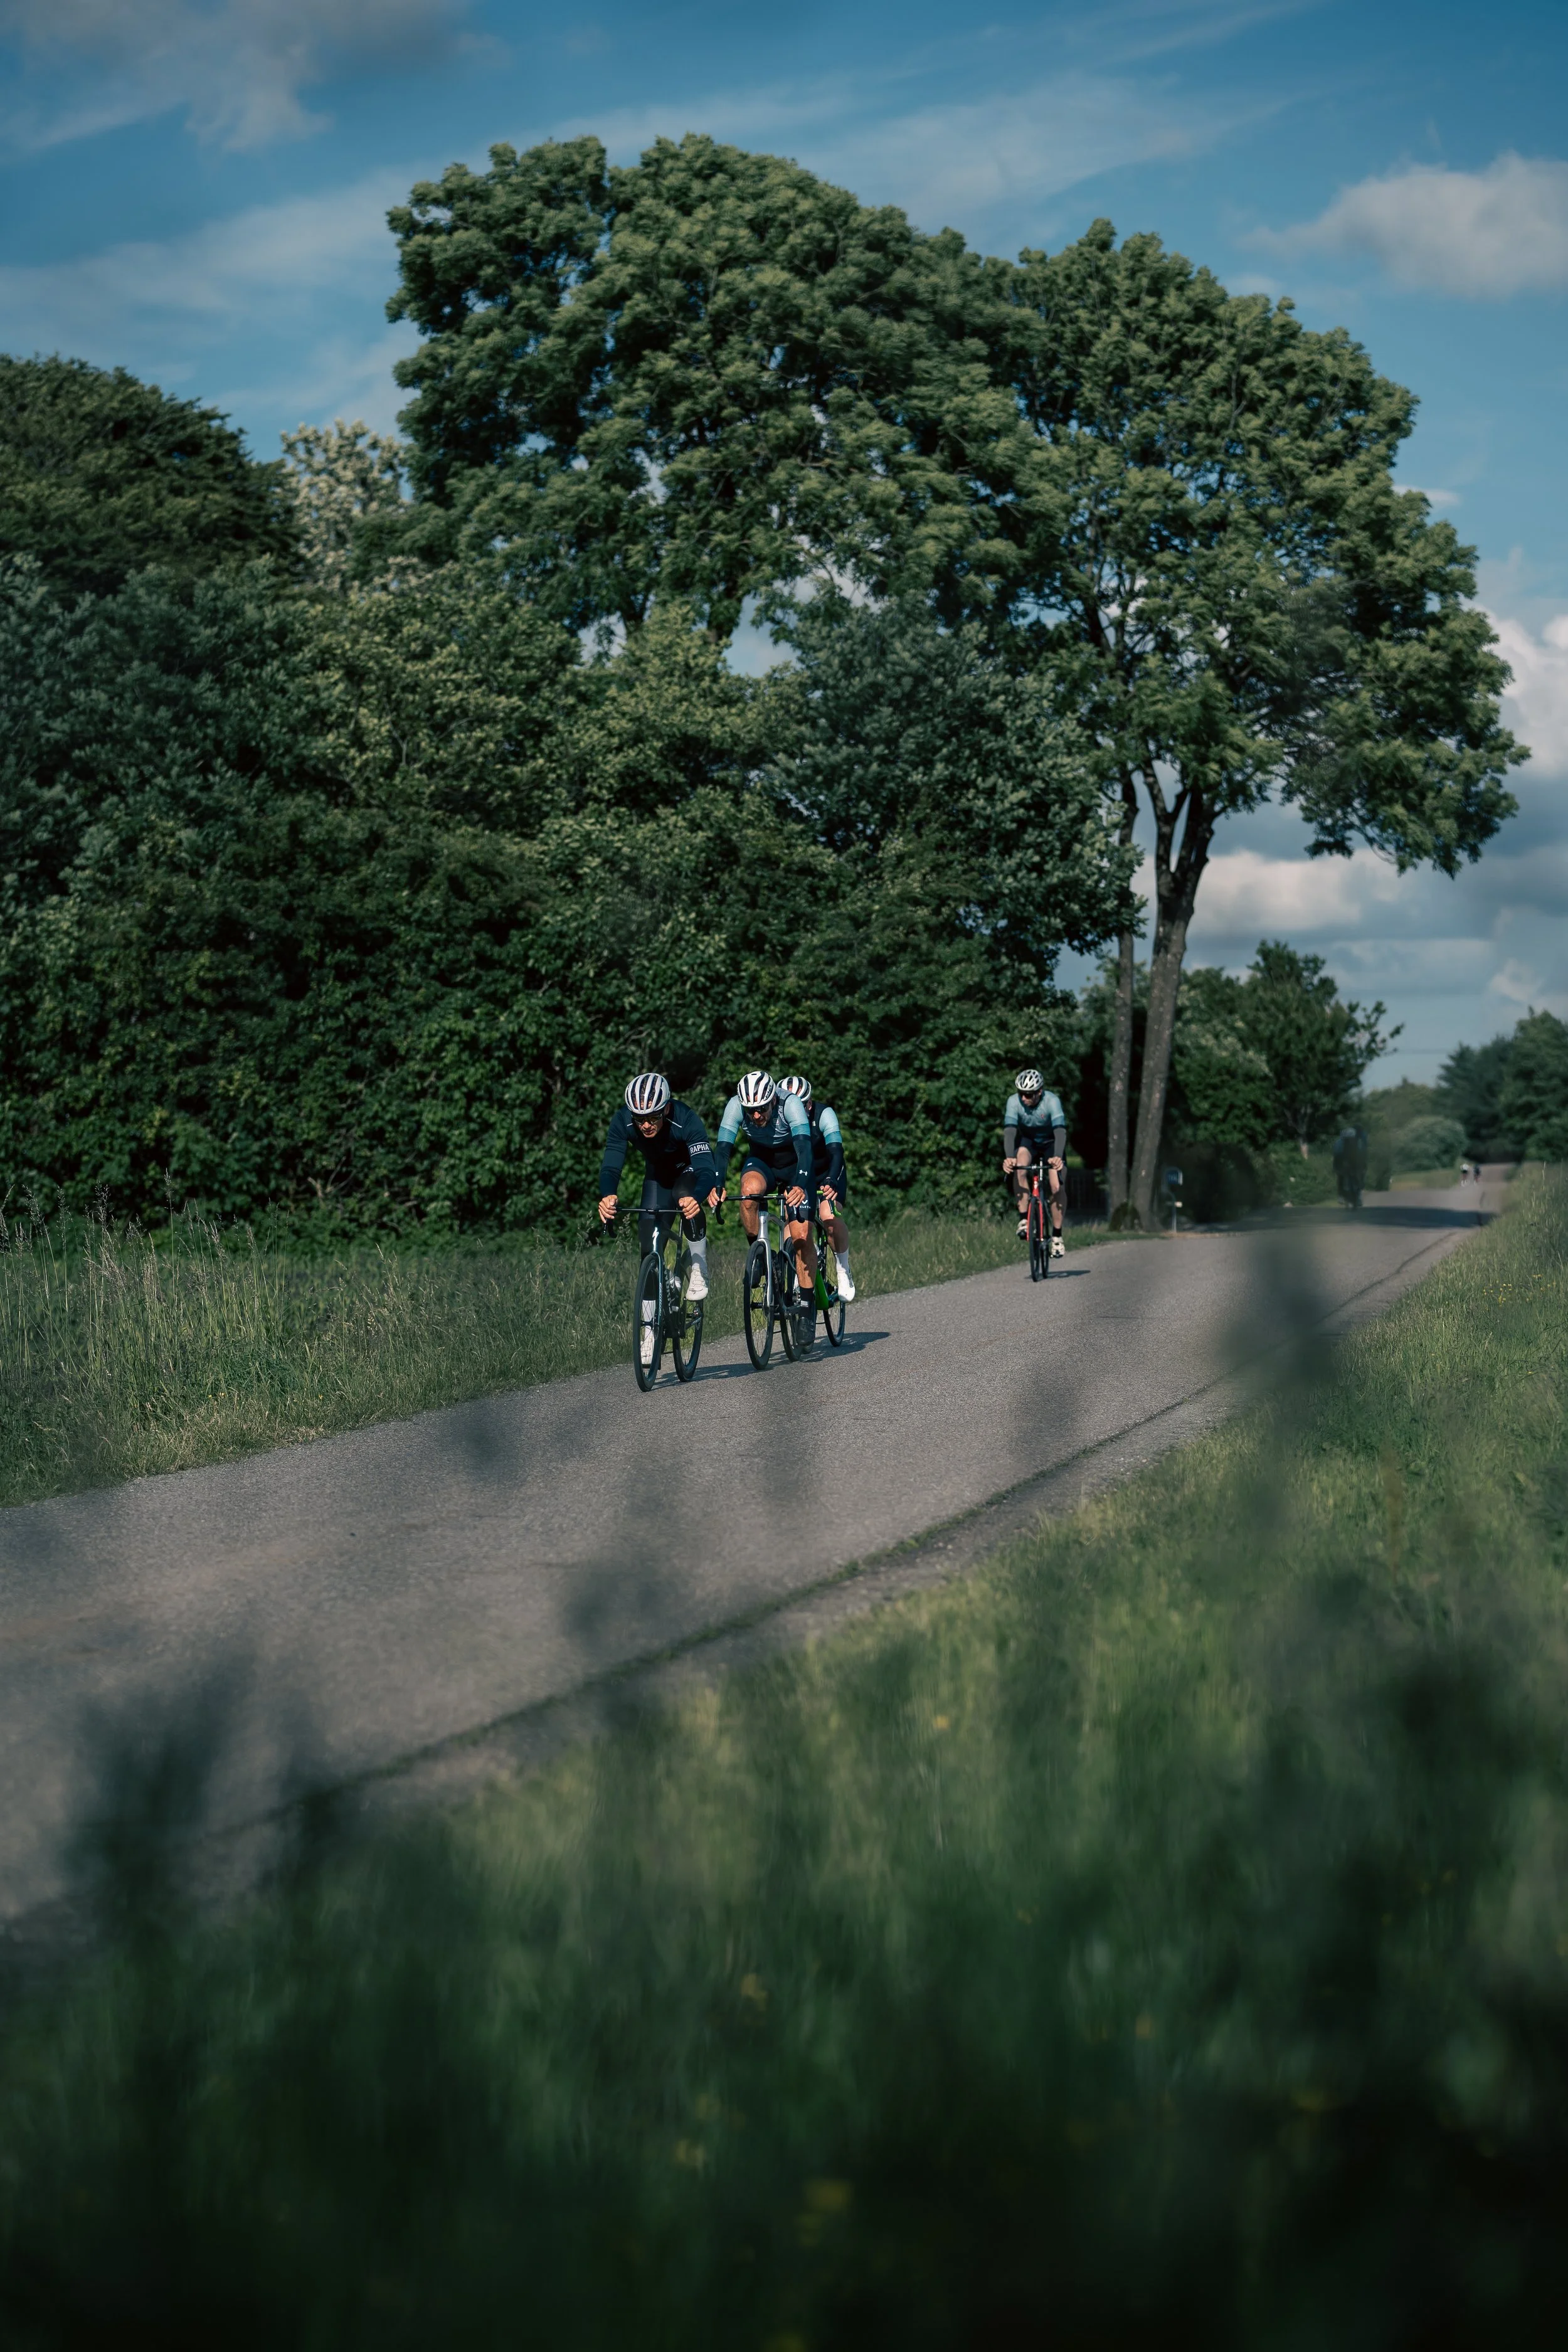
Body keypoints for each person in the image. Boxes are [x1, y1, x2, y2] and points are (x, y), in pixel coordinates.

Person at [598, 1073, 722, 1365]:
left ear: (666, 1109)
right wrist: (607, 1196)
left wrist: (698, 1197)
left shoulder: (686, 1119)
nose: (645, 1125)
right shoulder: (623, 1121)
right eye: (639, 1118)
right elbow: (611, 1165)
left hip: (689, 1172)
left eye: (652, 1118)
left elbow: (707, 1170)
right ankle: (649, 1333)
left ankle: (699, 1266)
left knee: (684, 1197)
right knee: (649, 1246)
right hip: (657, 1178)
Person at [713, 1069, 817, 1301]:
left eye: (762, 1109)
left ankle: (807, 1307)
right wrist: (717, 1183)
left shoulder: (790, 1104)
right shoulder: (735, 1106)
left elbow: (805, 1150)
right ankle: (761, 1255)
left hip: (795, 1165)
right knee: (748, 1193)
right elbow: (722, 1150)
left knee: (800, 1237)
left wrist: (800, 1184)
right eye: (751, 1111)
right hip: (762, 1162)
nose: (757, 1116)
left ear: (773, 1100)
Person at [778, 1074, 856, 1302]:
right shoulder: (780, 1119)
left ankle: (843, 1270)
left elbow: (836, 1152)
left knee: (828, 1216)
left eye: (800, 1106)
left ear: (809, 1104)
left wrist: (831, 1180)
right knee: (791, 1223)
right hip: (800, 1175)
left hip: (827, 1173)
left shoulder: (824, 1114)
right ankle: (796, 1272)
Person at [1002, 1067, 1067, 1256]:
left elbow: (1060, 1131)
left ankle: (1056, 1236)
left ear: (1039, 1092)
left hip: (1051, 1143)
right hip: (1029, 1141)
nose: (1024, 1099)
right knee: (1019, 1168)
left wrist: (1057, 1156)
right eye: (1021, 1094)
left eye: (1029, 1095)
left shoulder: (1052, 1101)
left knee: (1056, 1186)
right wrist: (1008, 1157)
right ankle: (1024, 1218)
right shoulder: (1014, 1102)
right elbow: (1010, 1131)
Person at [1332, 1123, 1368, 1209]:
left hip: (1348, 1162)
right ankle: (1357, 1197)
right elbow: (1363, 1155)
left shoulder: (1340, 1142)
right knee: (1356, 1177)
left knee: (1342, 1177)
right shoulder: (1358, 1142)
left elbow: (1336, 1155)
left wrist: (1335, 1167)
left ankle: (1342, 1196)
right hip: (1349, 1162)